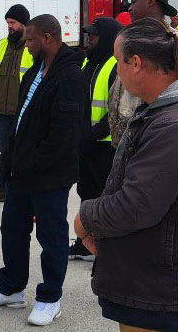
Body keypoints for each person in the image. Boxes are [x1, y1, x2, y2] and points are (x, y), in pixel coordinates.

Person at [75, 17, 178, 332]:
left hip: (163, 296)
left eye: (118, 62)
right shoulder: (167, 112)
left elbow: (137, 205)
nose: (116, 70)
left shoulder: (176, 125)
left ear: (135, 63)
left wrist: (86, 218)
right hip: (158, 287)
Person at [0, 15, 85, 327]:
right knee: (12, 230)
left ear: (48, 38)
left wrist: (29, 165)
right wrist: (9, 163)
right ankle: (10, 288)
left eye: (31, 40)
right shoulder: (36, 70)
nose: (26, 45)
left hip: (48, 177)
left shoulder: (70, 77)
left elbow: (62, 138)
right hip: (21, 174)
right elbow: (19, 123)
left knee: (52, 237)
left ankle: (50, 299)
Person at [69, 17, 123, 262]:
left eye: (93, 36)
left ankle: (107, 248)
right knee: (87, 193)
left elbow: (118, 109)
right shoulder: (88, 63)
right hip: (86, 145)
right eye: (88, 35)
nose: (88, 39)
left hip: (105, 146)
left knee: (105, 197)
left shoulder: (115, 66)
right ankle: (85, 243)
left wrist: (91, 134)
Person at [0, 3, 34, 204]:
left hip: (22, 110)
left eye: (13, 23)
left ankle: (22, 189)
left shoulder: (32, 45)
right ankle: (3, 187)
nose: (9, 26)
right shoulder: (3, 44)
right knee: (5, 151)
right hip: (1, 108)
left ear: (24, 24)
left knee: (23, 152)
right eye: (8, 23)